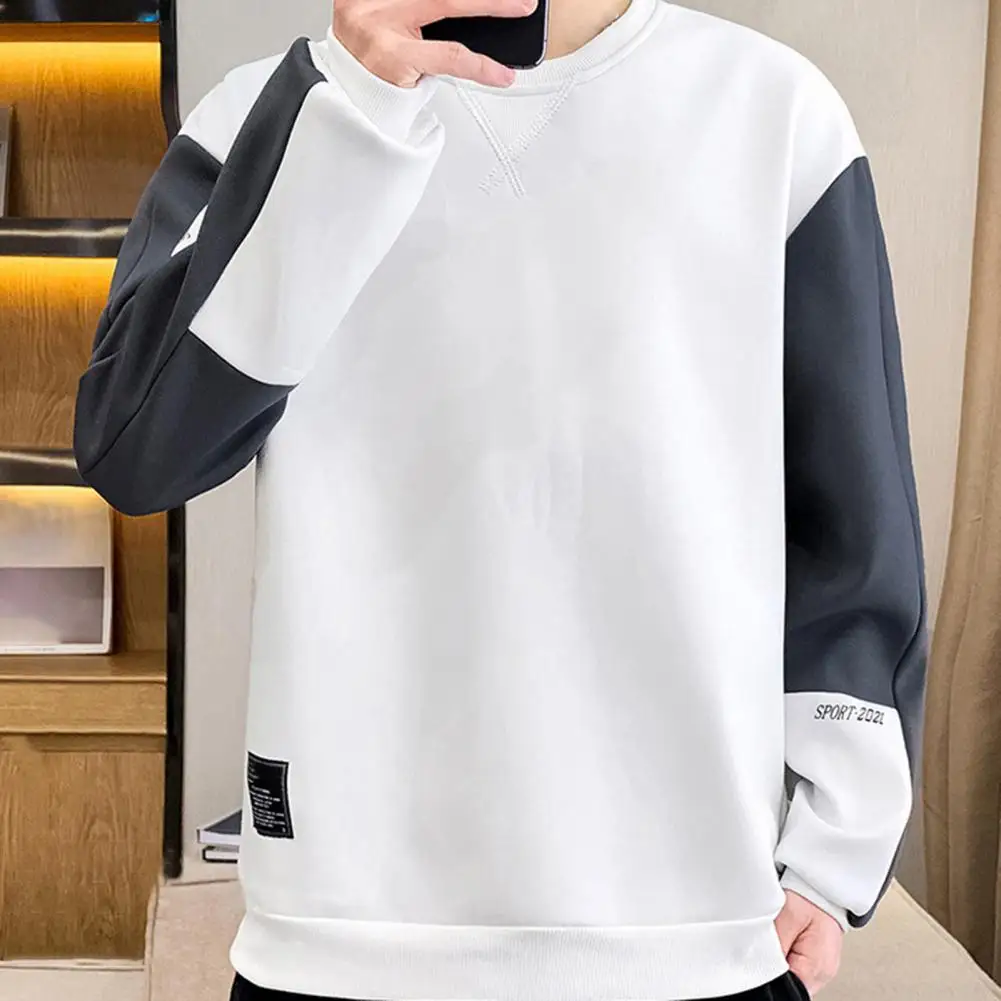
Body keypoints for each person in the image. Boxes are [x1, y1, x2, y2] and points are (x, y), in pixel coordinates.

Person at [73, 0, 928, 998]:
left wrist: (828, 856)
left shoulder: (771, 111)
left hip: (684, 933)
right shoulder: (267, 108)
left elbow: (851, 508)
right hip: (341, 933)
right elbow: (139, 449)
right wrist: (349, 110)